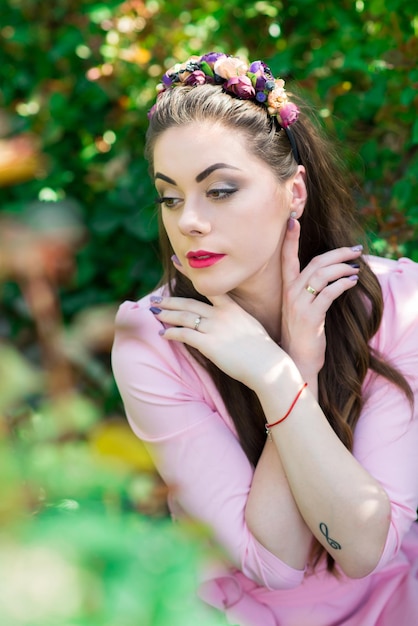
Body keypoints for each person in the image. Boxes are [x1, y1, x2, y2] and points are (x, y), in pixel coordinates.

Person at [111, 52, 418, 626]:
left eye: (220, 190)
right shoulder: (152, 340)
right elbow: (273, 565)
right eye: (170, 197)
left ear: (294, 192)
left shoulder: (399, 307)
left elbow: (363, 552)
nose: (190, 222)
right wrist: (290, 370)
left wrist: (279, 372)